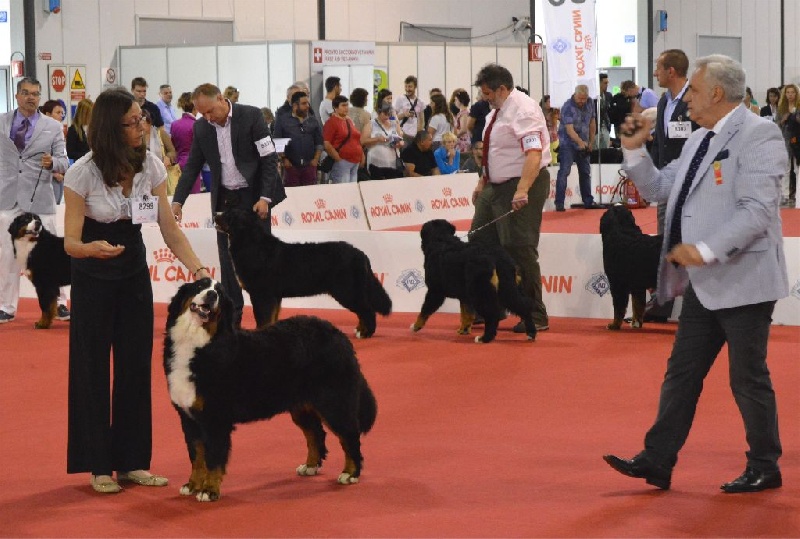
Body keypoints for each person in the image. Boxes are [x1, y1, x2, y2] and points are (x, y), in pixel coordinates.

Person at [604, 54, 788, 494]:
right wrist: (634, 149)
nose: (685, 99)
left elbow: (757, 212)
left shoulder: (761, 134)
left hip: (745, 280)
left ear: (718, 93)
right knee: (681, 374)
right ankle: (657, 459)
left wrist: (704, 251)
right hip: (705, 285)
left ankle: (765, 464)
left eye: (695, 91)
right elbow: (658, 189)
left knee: (747, 379)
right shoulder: (700, 139)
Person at [63, 87, 210, 494]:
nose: (142, 126)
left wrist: (198, 269)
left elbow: (169, 229)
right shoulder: (82, 173)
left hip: (132, 272)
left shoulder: (152, 167)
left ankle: (131, 462)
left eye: (142, 118)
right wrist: (89, 249)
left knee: (134, 366)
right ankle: (98, 465)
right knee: (92, 367)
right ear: (111, 128)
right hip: (91, 271)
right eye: (132, 122)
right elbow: (70, 241)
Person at [170, 83, 285, 327]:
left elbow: (269, 158)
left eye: (211, 111)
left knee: (260, 264)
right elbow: (192, 167)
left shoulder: (251, 115)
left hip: (254, 199)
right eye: (203, 113)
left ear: (221, 99)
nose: (208, 117)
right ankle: (232, 324)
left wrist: (265, 197)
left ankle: (267, 325)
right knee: (228, 263)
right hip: (225, 201)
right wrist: (178, 201)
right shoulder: (201, 127)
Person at [468, 63, 550, 333]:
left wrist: (523, 189)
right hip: (494, 185)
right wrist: (483, 181)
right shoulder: (496, 111)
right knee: (479, 241)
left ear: (502, 89)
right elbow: (493, 151)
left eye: (487, 93)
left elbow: (534, 154)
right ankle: (491, 306)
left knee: (519, 247)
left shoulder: (524, 110)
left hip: (522, 182)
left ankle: (534, 313)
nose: (485, 99)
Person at [0, 78, 70, 324]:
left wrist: (53, 163)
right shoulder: (1, 122)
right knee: (6, 255)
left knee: (54, 255)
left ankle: (60, 303)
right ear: (17, 95)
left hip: (40, 199)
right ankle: (6, 306)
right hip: (7, 198)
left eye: (35, 94)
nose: (31, 97)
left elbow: (64, 161)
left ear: (40, 97)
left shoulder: (53, 126)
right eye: (26, 93)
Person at [644, 49, 697, 323]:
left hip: (692, 185)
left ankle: (695, 305)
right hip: (666, 183)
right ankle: (662, 302)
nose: (655, 73)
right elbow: (660, 144)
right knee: (665, 241)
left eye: (658, 67)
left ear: (671, 71)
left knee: (689, 240)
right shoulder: (664, 101)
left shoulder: (695, 98)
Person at [554, 85, 596, 211]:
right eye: (580, 98)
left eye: (584, 98)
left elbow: (592, 123)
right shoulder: (567, 106)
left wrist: (591, 141)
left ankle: (588, 201)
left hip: (584, 142)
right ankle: (559, 203)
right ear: (575, 95)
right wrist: (580, 142)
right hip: (568, 143)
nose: (582, 101)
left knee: (585, 172)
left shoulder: (590, 103)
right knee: (564, 171)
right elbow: (569, 130)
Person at [273, 91, 322, 187]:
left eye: (308, 103)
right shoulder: (283, 120)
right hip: (290, 166)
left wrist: (315, 160)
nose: (307, 106)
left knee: (310, 193)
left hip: (310, 166)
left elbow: (319, 142)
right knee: (292, 193)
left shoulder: (313, 120)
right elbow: (277, 141)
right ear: (295, 105)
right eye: (304, 103)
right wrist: (284, 159)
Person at [322, 95, 363, 183]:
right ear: (335, 107)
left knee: (352, 189)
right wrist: (338, 159)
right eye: (343, 105)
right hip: (343, 161)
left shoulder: (349, 121)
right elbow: (327, 144)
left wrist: (362, 156)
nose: (346, 108)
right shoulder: (331, 122)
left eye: (347, 105)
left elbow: (356, 139)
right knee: (343, 189)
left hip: (355, 161)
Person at [169, 92, 204, 193]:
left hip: (178, 164)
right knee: (194, 197)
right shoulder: (196, 125)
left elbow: (172, 145)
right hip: (193, 164)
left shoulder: (174, 124)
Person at [361, 101, 405, 180]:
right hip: (375, 162)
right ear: (379, 112)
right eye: (385, 114)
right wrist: (377, 139)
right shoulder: (371, 124)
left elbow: (400, 138)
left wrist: (400, 143)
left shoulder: (394, 123)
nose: (387, 116)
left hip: (391, 162)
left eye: (389, 114)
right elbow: (363, 141)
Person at [39, 100, 68, 204]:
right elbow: (38, 159)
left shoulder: (59, 132)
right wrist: (54, 174)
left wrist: (62, 173)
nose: (61, 116)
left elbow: (63, 157)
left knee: (58, 205)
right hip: (47, 179)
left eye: (62, 113)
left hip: (60, 177)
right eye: (58, 112)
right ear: (48, 114)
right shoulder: (41, 134)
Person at [777, 83, 800, 207]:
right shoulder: (781, 108)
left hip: (797, 140)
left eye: (793, 92)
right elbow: (776, 125)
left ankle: (797, 195)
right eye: (788, 92)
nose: (790, 95)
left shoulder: (799, 107)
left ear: (796, 94)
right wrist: (782, 120)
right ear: (785, 94)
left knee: (797, 169)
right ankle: (785, 195)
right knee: (785, 169)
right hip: (785, 140)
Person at [395, 75, 425, 146]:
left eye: (410, 86)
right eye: (406, 86)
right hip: (404, 135)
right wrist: (403, 115)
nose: (407, 89)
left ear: (415, 87)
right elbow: (392, 118)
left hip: (416, 136)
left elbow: (421, 120)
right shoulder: (400, 99)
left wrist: (419, 134)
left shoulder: (420, 102)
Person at [596, 74, 613, 149]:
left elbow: (609, 111)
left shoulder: (608, 95)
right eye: (605, 83)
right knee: (595, 151)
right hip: (595, 128)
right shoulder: (592, 96)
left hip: (605, 126)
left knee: (606, 149)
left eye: (607, 83)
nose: (607, 85)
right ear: (599, 83)